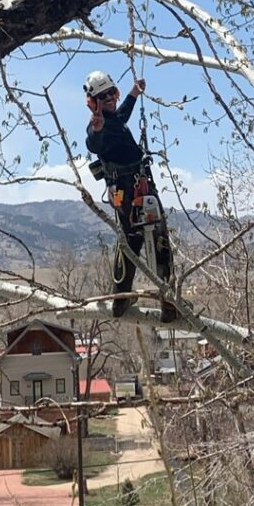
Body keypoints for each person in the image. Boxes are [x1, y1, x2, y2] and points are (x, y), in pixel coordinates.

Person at [84, 71, 176, 322]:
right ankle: (167, 300)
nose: (110, 100)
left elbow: (121, 115)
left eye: (112, 93)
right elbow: (93, 142)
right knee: (156, 240)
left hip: (131, 189)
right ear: (93, 102)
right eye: (103, 97)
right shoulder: (99, 125)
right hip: (133, 189)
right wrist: (97, 128)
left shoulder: (114, 118)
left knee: (130, 241)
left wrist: (133, 94)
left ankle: (121, 297)